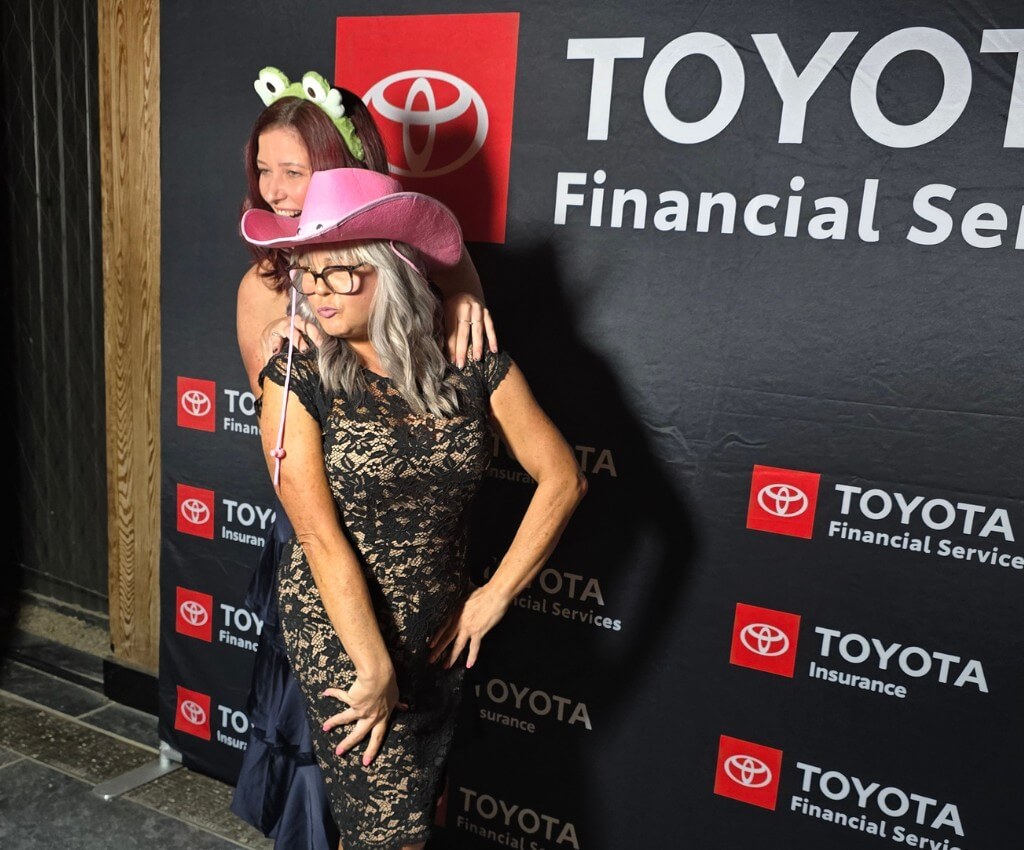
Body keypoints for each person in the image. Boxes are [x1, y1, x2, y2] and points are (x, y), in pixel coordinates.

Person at [241, 166, 586, 850]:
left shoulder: (470, 362)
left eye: (339, 272)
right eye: (308, 272)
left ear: (391, 268)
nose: (317, 290)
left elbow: (563, 479)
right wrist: (373, 668)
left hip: (438, 629)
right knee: (388, 835)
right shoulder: (297, 375)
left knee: (404, 825)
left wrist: (492, 597)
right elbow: (317, 538)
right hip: (342, 631)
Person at [230, 70, 498, 849]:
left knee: (407, 764)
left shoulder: (422, 261)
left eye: (294, 170)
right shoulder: (264, 285)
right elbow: (286, 446)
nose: (275, 190)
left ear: (343, 172)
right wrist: (289, 359)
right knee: (337, 746)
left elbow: (463, 363)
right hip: (325, 539)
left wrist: (464, 300)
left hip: (417, 550)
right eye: (263, 170)